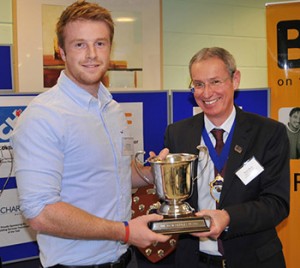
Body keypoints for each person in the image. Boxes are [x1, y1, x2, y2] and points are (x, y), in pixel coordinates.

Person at [9, 1, 169, 268]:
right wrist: (126, 231)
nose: (92, 54)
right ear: (61, 52)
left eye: (100, 43)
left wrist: (157, 173)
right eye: (79, 44)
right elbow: (40, 213)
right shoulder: (43, 117)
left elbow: (118, 173)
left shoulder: (113, 109)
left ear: (110, 47)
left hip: (125, 259)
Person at [162, 47, 290, 267]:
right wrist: (157, 176)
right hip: (193, 260)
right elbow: (173, 200)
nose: (206, 93)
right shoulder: (177, 134)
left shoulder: (269, 133)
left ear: (235, 79)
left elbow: (276, 204)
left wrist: (229, 217)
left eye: (215, 82)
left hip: (253, 259)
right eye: (198, 84)